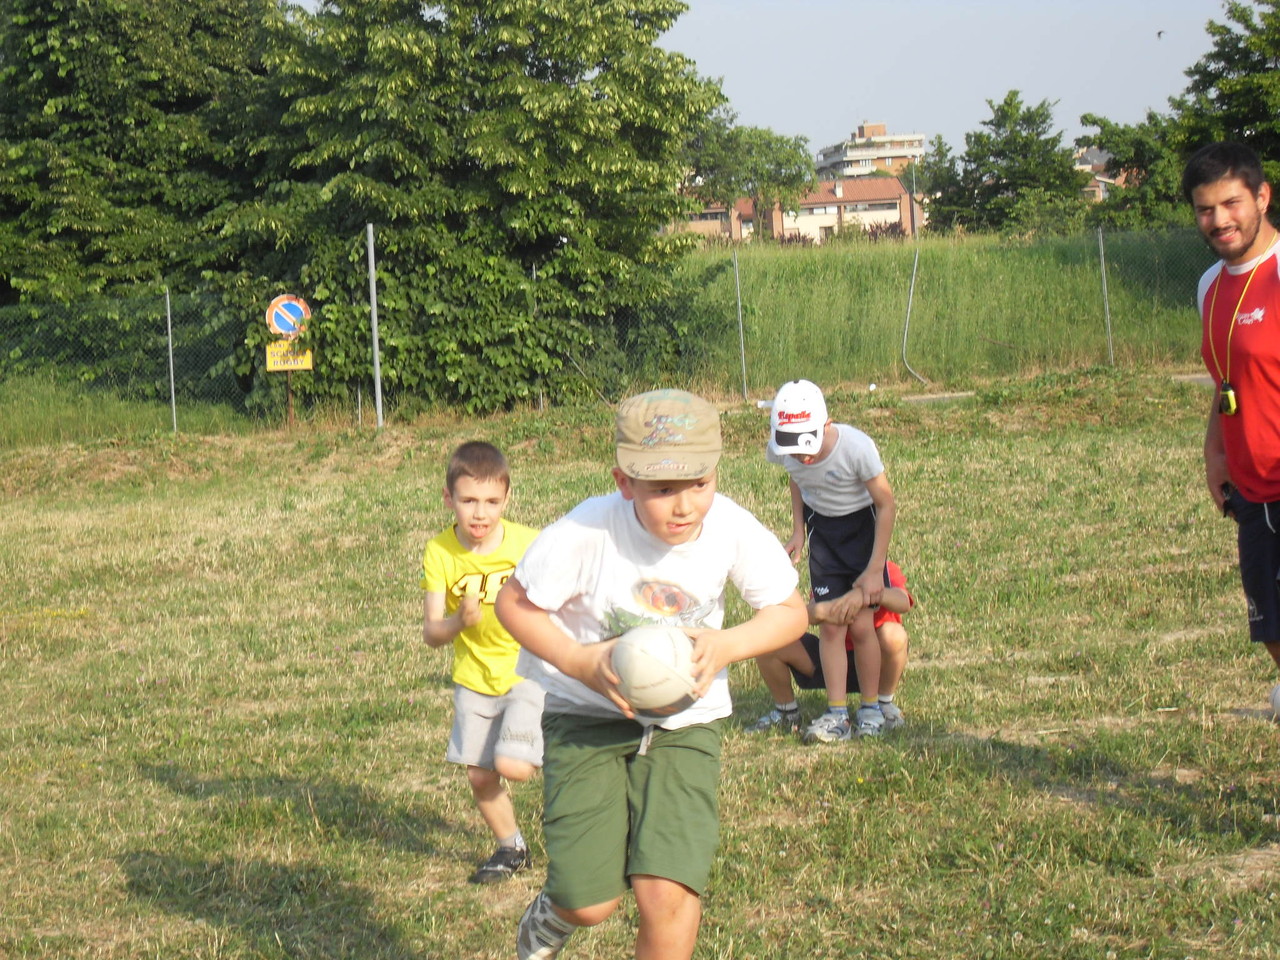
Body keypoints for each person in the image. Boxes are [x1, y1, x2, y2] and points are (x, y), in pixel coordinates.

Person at [495, 389, 807, 960]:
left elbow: (791, 613)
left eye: (699, 484)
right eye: (663, 490)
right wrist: (581, 662)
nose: (684, 505)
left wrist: (726, 645)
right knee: (587, 901)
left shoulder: (730, 528)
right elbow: (513, 605)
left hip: (687, 724)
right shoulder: (589, 531)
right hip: (587, 718)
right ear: (624, 483)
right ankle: (551, 916)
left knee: (666, 892)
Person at [1184, 141, 1280, 720]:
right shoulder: (1209, 286)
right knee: (1270, 627)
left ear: (1262, 197)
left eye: (1231, 203)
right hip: (1251, 489)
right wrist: (1215, 448)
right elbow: (1226, 381)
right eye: (1204, 209)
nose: (1219, 220)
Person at [421, 441, 542, 884]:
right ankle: (512, 848)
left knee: (514, 766)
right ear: (448, 498)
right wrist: (458, 620)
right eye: (468, 501)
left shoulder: (529, 543)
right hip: (473, 678)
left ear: (507, 499)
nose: (479, 513)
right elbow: (431, 633)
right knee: (478, 774)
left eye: (491, 502)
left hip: (527, 669)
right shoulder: (440, 552)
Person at [764, 378, 898, 741]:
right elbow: (796, 479)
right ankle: (837, 713)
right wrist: (798, 531)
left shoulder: (857, 448)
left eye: (807, 445)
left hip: (861, 534)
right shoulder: (784, 450)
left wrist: (873, 570)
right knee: (832, 626)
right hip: (823, 535)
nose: (801, 455)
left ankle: (871, 708)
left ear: (826, 424)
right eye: (791, 447)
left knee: (860, 624)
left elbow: (886, 504)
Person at [751, 560, 915, 734]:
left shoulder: (881, 567)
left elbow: (903, 602)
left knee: (894, 635)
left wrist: (870, 594)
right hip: (831, 657)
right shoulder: (829, 566)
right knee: (768, 641)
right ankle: (786, 712)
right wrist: (824, 610)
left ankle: (883, 704)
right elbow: (811, 613)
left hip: (875, 660)